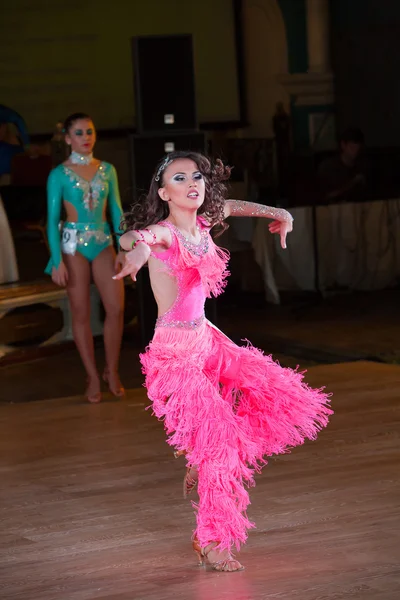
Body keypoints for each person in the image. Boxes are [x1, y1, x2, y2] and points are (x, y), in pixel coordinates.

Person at [115, 151, 332, 572]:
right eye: (180, 179)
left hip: (209, 341)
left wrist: (279, 212)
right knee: (220, 451)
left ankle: (200, 456)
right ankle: (212, 539)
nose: (193, 183)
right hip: (175, 354)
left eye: (197, 176)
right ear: (164, 193)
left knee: (282, 394)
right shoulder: (162, 233)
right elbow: (135, 239)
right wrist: (136, 252)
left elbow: (232, 206)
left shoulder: (201, 223)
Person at [45, 112, 125, 403]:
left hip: (103, 242)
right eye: (78, 133)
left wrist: (125, 246)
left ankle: (111, 370)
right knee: (80, 313)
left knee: (115, 308)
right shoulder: (58, 174)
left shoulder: (108, 169)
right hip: (72, 246)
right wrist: (56, 260)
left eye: (89, 131)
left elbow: (116, 210)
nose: (85, 137)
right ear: (67, 139)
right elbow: (52, 219)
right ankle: (92, 375)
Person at [318, 127, 366, 203]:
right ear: (343, 145)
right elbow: (325, 196)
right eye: (352, 147)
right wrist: (353, 183)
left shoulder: (362, 167)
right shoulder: (329, 168)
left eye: (358, 147)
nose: (355, 151)